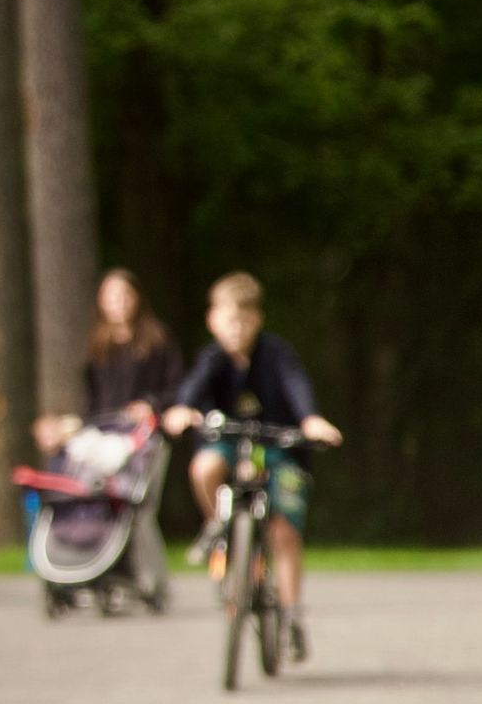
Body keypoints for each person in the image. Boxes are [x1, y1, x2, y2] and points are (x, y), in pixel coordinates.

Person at [160, 271, 342, 658]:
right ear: (213, 321)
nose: (236, 329)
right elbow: (192, 389)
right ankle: (219, 527)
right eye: (228, 320)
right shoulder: (212, 359)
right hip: (228, 442)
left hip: (278, 447)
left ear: (257, 319)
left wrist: (311, 419)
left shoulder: (277, 354)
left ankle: (291, 615)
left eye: (243, 320)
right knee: (204, 467)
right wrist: (182, 410)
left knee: (283, 532)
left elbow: (297, 387)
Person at [35, 267, 185, 451]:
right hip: (104, 432)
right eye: (112, 296)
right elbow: (91, 400)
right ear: (101, 301)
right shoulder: (96, 347)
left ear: (138, 297)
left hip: (143, 433)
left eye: (125, 295)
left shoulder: (157, 340)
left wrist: (151, 405)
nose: (119, 302)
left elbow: (176, 385)